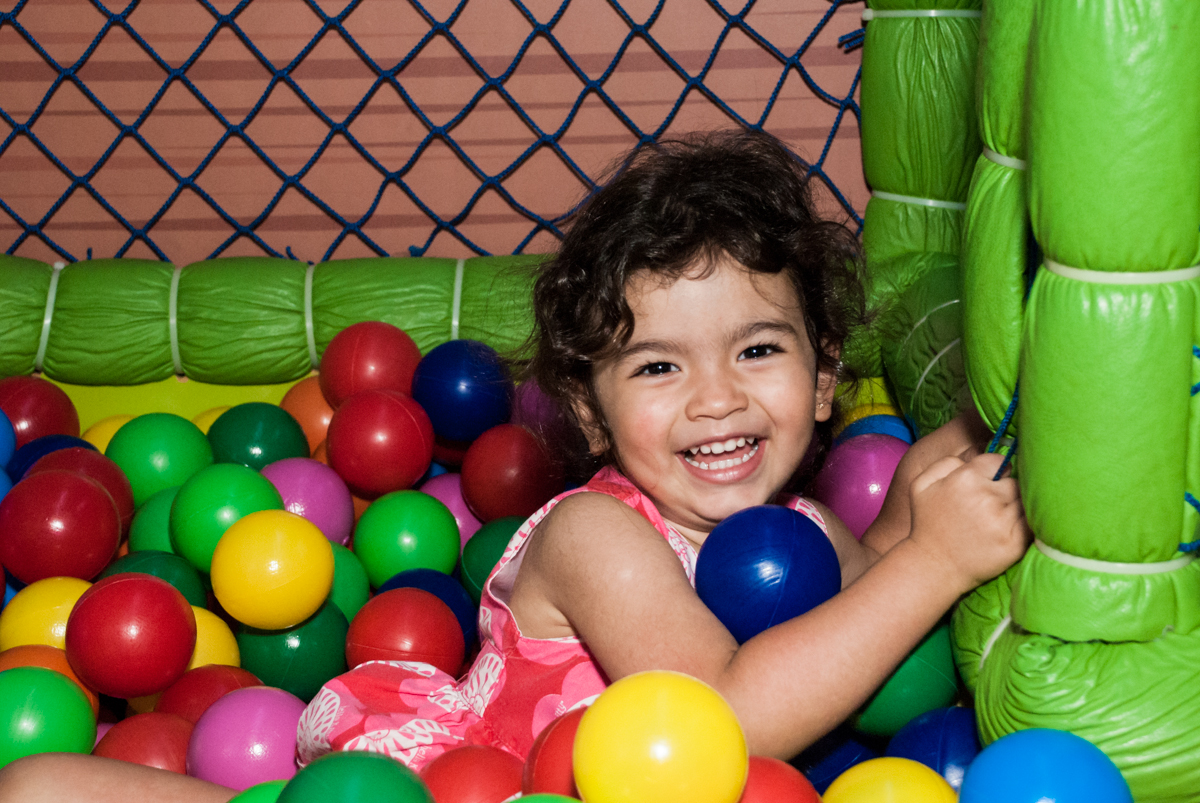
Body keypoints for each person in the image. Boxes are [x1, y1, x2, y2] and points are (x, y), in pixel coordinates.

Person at [0, 130, 1027, 801]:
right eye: (659, 364)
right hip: (468, 787)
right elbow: (729, 711)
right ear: (588, 404)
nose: (717, 396)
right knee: (43, 786)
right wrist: (936, 564)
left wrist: (992, 422)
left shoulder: (797, 524)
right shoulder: (600, 534)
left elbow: (874, 564)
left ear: (821, 378)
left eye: (758, 349)